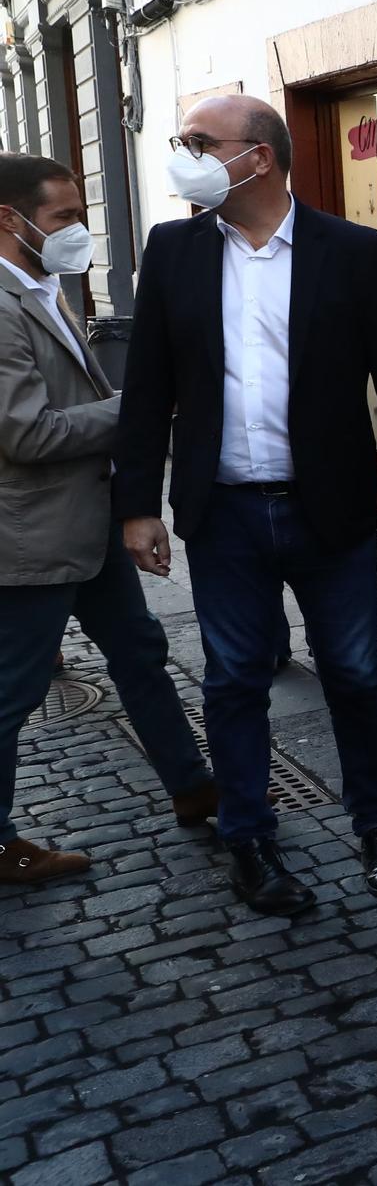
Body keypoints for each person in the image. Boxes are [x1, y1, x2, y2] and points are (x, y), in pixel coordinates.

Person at [115, 95, 377, 917]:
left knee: (357, 675)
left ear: (257, 156)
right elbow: (146, 389)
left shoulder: (352, 251)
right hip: (225, 515)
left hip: (328, 509)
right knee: (233, 681)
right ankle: (249, 838)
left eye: (196, 143)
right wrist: (137, 503)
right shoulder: (174, 250)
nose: (183, 156)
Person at [0, 154, 218, 883]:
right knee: (13, 692)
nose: (78, 230)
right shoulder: (1, 305)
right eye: (63, 217)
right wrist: (139, 405)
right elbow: (27, 433)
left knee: (140, 652)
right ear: (11, 219)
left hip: (85, 525)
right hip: (29, 539)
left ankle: (192, 784)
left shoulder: (41, 286)